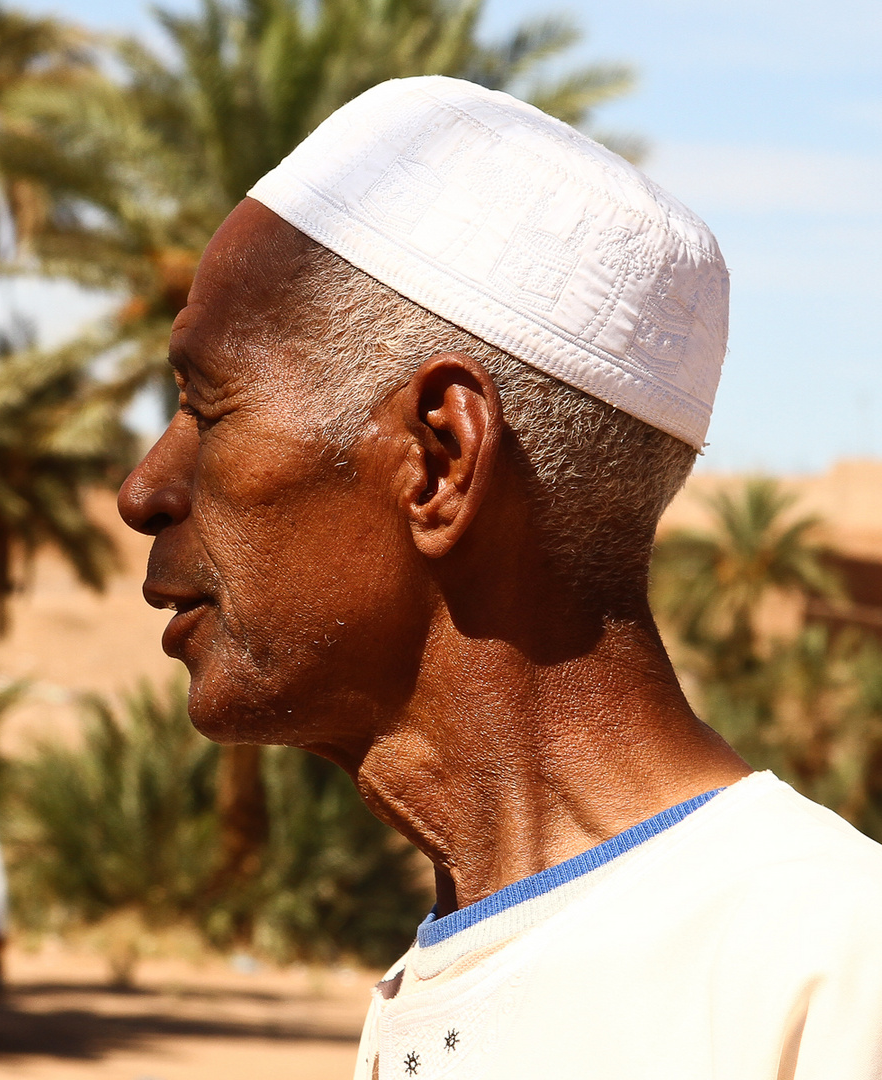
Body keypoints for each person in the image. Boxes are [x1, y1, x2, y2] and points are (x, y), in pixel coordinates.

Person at [117, 76, 882, 1080]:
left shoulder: (825, 971)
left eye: (205, 409)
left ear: (437, 458)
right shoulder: (446, 979)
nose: (143, 490)